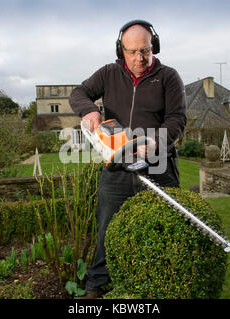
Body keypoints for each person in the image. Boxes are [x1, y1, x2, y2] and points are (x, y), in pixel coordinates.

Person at [69, 19, 187, 298]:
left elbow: (177, 118)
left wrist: (155, 142)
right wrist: (88, 110)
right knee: (106, 229)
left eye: (145, 50)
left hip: (159, 167)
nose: (139, 58)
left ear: (153, 46)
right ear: (120, 50)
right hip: (118, 166)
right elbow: (78, 93)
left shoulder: (169, 77)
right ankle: (96, 286)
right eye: (132, 51)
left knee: (164, 227)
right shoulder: (109, 73)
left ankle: (162, 287)